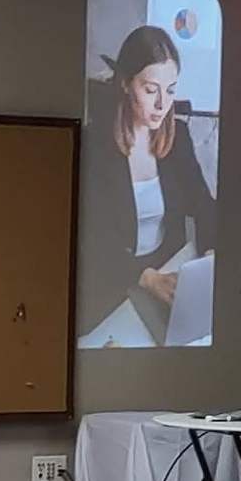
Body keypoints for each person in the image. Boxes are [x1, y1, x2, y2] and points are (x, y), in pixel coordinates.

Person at [80, 24, 215, 347]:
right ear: (126, 84)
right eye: (151, 89)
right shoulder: (94, 143)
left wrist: (213, 254)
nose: (161, 105)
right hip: (110, 285)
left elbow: (204, 204)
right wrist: (145, 277)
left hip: (166, 273)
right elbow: (91, 238)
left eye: (170, 90)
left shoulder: (178, 138)